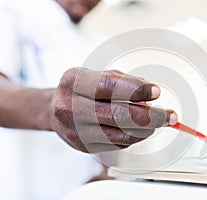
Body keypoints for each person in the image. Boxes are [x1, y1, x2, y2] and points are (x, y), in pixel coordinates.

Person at [0, 0, 177, 199]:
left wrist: (103, 174)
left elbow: (111, 128)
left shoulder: (101, 45)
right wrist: (48, 108)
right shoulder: (10, 13)